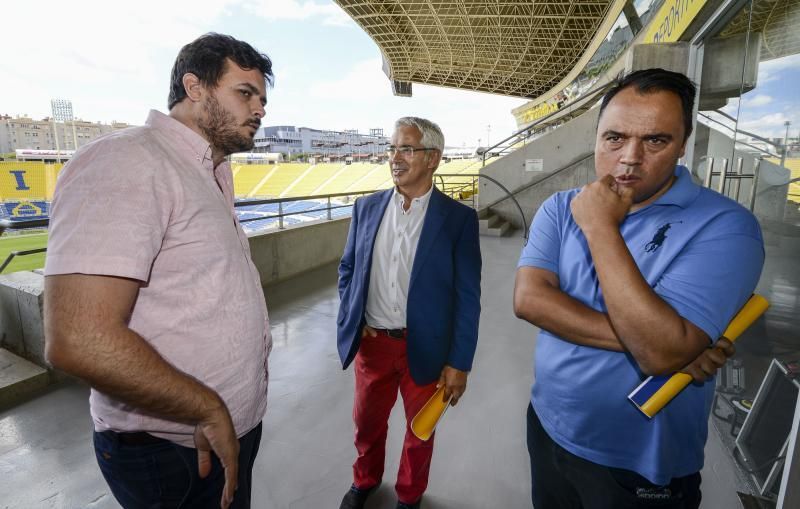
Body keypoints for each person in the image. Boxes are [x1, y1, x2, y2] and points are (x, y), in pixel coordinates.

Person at [513, 68, 765, 509]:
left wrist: (599, 226)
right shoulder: (557, 207)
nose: (629, 158)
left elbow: (660, 354)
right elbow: (530, 300)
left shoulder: (727, 227)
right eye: (614, 138)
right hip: (549, 423)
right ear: (596, 138)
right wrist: (682, 348)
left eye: (655, 141)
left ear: (683, 144)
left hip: (639, 460)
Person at [43, 33, 274, 509]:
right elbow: (77, 339)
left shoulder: (210, 170)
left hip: (219, 433)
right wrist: (206, 407)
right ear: (195, 88)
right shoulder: (128, 160)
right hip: (172, 448)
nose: (260, 110)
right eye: (245, 93)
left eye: (262, 99)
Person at [336, 117, 482, 509]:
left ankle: (409, 496)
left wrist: (460, 362)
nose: (394, 158)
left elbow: (468, 297)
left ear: (432, 158)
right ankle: (364, 481)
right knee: (366, 425)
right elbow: (348, 268)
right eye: (392, 148)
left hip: (427, 347)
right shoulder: (366, 208)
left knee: (420, 432)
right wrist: (353, 318)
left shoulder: (458, 220)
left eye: (406, 149)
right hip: (373, 344)